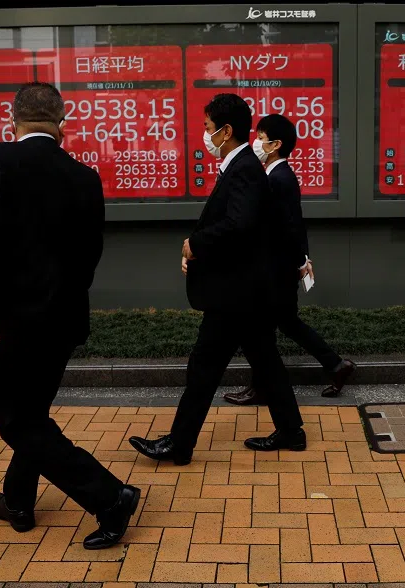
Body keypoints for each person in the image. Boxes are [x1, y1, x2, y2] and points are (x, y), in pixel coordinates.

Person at [0, 82, 139, 550]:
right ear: (63, 121)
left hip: (13, 321)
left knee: (17, 423)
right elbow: (90, 254)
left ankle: (110, 497)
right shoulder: (85, 176)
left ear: (13, 118)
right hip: (63, 318)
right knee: (33, 413)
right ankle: (18, 498)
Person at [129, 94, 306, 465]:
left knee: (204, 366)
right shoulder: (242, 166)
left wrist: (196, 245)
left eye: (209, 128)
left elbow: (238, 226)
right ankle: (291, 430)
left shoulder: (243, 168)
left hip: (236, 294)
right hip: (247, 290)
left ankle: (179, 444)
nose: (205, 135)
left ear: (225, 131)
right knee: (265, 360)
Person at [224, 114, 355, 407]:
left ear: (276, 144)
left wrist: (300, 261)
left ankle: (264, 387)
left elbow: (288, 227)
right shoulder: (278, 176)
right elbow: (295, 222)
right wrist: (303, 259)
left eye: (260, 138)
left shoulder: (278, 178)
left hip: (276, 271)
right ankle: (334, 365)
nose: (256, 142)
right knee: (280, 325)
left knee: (262, 330)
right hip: (279, 268)